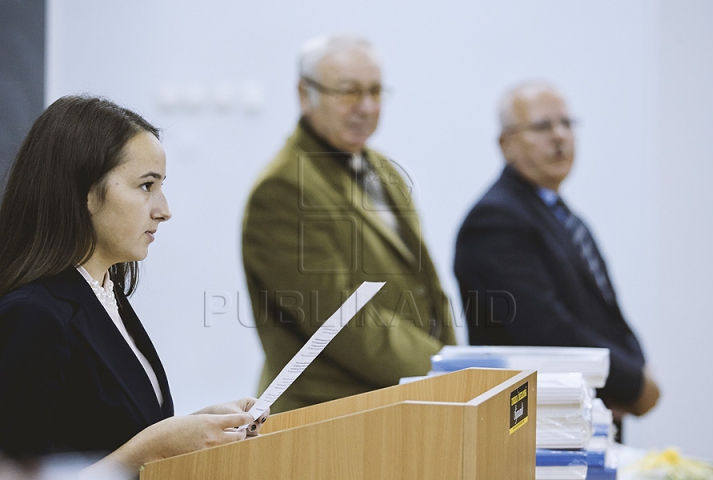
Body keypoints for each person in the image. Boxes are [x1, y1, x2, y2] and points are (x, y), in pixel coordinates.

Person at [0, 96, 267, 476]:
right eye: (146, 186)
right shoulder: (32, 316)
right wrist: (153, 448)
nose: (164, 209)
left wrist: (195, 428)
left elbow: (103, 433)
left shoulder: (108, 295)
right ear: (86, 193)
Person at [242, 34, 456, 413]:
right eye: (348, 92)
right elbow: (342, 321)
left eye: (375, 91)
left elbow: (427, 287)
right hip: (329, 418)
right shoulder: (283, 188)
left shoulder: (385, 169)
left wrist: (455, 365)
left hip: (402, 401)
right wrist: (446, 368)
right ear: (304, 94)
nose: (367, 107)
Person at [453, 83, 660, 422]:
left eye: (567, 123)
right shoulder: (495, 221)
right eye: (542, 126)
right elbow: (544, 329)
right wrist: (631, 382)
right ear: (506, 144)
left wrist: (638, 365)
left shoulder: (559, 213)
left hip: (583, 419)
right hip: (536, 429)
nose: (560, 136)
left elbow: (605, 312)